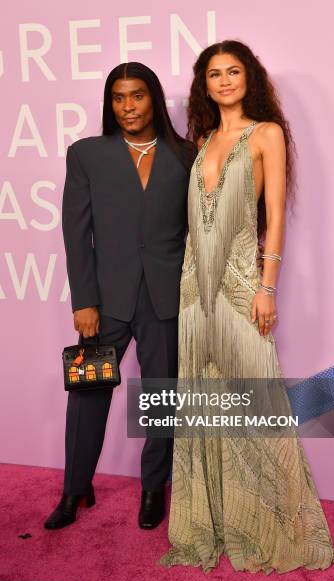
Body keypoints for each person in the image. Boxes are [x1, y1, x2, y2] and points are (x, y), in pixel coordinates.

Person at [159, 41, 334, 573]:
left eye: (233, 71)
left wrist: (268, 286)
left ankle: (271, 525)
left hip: (242, 286)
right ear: (204, 84)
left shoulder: (266, 135)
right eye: (214, 74)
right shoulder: (202, 138)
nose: (224, 81)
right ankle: (211, 523)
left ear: (249, 77)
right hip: (195, 292)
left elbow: (277, 217)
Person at [44, 62, 195, 531]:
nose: (128, 107)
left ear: (154, 100)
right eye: (118, 98)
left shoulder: (186, 155)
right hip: (105, 302)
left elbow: (195, 231)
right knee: (88, 395)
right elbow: (77, 232)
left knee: (160, 398)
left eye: (137, 96)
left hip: (166, 301)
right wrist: (83, 301)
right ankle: (74, 490)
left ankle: (153, 489)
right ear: (110, 104)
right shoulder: (87, 154)